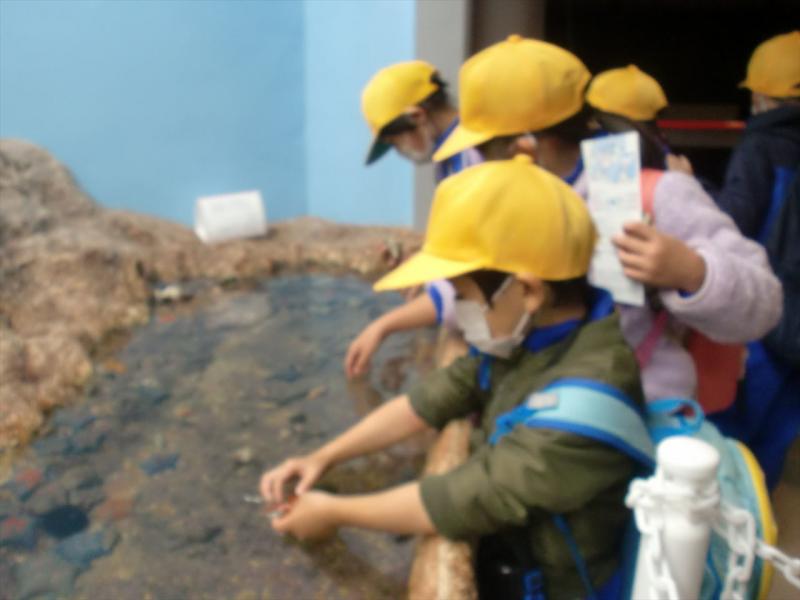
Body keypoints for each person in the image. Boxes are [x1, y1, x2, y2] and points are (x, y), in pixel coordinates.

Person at [261, 156, 643, 599]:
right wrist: (323, 456)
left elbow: (461, 499)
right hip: (521, 556)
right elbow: (428, 401)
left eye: (463, 295)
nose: (458, 312)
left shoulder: (582, 409)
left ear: (528, 290)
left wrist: (332, 513)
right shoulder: (528, 337)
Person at [433, 34, 783, 404]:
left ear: (524, 147)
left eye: (482, 149)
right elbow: (465, 298)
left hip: (633, 408)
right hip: (532, 407)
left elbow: (766, 305)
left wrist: (691, 272)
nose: (476, 162)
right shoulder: (493, 198)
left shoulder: (650, 195)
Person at [692, 31, 799, 488]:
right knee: (778, 432)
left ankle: (729, 515)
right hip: (796, 330)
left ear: (762, 96)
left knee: (732, 436)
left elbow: (734, 219)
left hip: (765, 317)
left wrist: (691, 186)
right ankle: (761, 510)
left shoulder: (761, 146)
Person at [344, 61, 482, 379]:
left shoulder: (474, 158)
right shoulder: (449, 157)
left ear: (417, 116)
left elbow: (480, 273)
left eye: (397, 142)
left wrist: (382, 326)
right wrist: (420, 263)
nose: (401, 151)